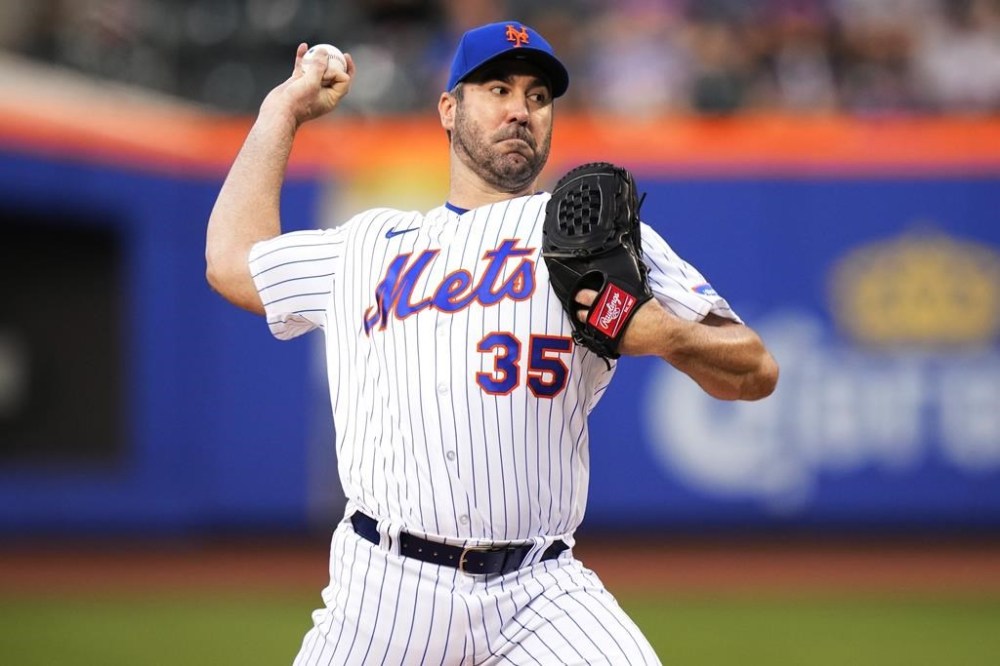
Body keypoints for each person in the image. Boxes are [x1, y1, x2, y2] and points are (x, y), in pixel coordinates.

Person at [206, 20, 778, 665]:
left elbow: (755, 368)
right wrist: (282, 109)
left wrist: (664, 333)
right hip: (386, 590)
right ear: (448, 110)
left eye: (538, 97)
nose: (521, 110)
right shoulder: (367, 246)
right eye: (498, 89)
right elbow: (230, 261)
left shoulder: (586, 234)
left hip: (539, 589)